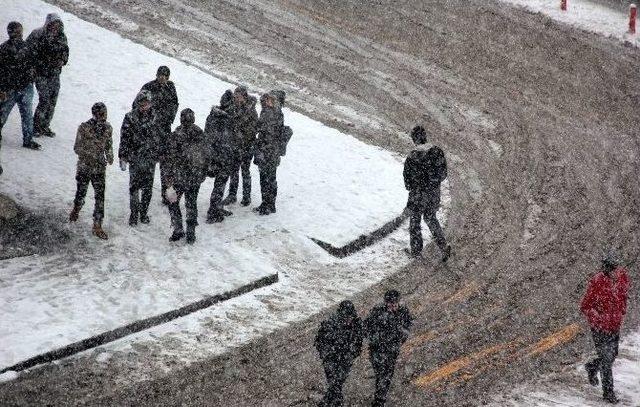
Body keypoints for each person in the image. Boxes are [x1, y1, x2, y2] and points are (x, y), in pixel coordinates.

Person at [580, 252, 630, 404]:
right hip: (600, 328)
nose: (615, 271)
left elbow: (623, 296)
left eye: (616, 268)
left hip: (614, 325)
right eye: (611, 269)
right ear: (606, 269)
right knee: (607, 360)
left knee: (612, 355)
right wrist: (598, 319)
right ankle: (608, 394)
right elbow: (585, 306)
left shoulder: (623, 277)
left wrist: (621, 312)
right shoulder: (596, 281)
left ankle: (591, 366)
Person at [403, 125, 451, 262]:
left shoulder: (413, 155)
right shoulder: (437, 151)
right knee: (430, 217)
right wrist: (433, 183)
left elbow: (407, 179)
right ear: (425, 136)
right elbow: (443, 173)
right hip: (434, 192)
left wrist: (414, 187)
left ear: (414, 139)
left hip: (418, 194)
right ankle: (443, 246)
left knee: (415, 220)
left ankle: (416, 251)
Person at [68, 103, 113, 240]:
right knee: (81, 192)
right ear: (95, 114)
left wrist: (109, 156)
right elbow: (77, 148)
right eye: (101, 114)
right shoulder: (84, 127)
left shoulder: (108, 128)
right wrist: (91, 154)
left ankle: (97, 224)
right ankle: (76, 209)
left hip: (99, 169)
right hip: (85, 167)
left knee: (100, 197)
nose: (103, 116)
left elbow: (109, 145)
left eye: (105, 113)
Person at [163, 108, 207, 244]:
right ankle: (189, 232)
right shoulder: (198, 133)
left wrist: (168, 175)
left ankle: (180, 230)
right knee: (189, 205)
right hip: (189, 177)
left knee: (175, 202)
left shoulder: (178, 134)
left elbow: (169, 157)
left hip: (182, 176)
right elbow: (206, 156)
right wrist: (203, 173)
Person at [138, 66, 179, 204]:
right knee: (149, 161)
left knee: (165, 164)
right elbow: (137, 105)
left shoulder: (170, 88)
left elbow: (175, 104)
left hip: (164, 131)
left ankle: (165, 194)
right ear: (157, 75)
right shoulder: (148, 87)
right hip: (150, 131)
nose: (162, 77)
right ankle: (143, 190)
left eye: (165, 75)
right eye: (160, 75)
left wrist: (169, 118)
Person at [0, 21, 41, 160]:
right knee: (6, 113)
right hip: (14, 88)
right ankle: (28, 139)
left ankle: (28, 139)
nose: (18, 33)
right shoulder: (6, 49)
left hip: (21, 87)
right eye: (17, 31)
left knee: (25, 114)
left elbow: (34, 65)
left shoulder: (11, 48)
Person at [364, 290, 413, 407]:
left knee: (387, 377)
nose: (393, 306)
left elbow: (408, 326)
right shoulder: (377, 311)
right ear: (386, 302)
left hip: (392, 350)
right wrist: (375, 338)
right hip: (377, 349)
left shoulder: (403, 311)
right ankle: (379, 401)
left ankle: (380, 399)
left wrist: (401, 333)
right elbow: (366, 328)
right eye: (390, 303)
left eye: (395, 303)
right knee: (381, 375)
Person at [119, 90, 160, 226]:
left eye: (147, 103)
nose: (144, 106)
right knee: (134, 188)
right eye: (142, 103)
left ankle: (143, 213)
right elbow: (124, 138)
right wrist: (123, 156)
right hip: (135, 157)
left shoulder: (155, 117)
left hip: (149, 158)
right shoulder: (130, 117)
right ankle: (134, 214)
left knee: (148, 189)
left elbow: (158, 138)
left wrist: (159, 153)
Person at [26, 13, 68, 138]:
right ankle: (36, 126)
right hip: (41, 73)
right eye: (53, 23)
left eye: (58, 24)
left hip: (54, 74)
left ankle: (45, 125)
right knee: (44, 99)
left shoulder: (62, 37)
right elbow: (28, 51)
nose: (55, 26)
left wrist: (63, 61)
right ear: (48, 23)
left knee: (52, 100)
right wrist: (34, 67)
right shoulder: (38, 34)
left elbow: (66, 51)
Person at [315, 300, 364, 407]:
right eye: (345, 318)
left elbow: (359, 341)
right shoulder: (330, 323)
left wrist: (353, 354)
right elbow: (320, 342)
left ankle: (328, 402)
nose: (348, 320)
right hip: (331, 358)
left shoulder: (356, 324)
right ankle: (336, 402)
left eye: (349, 318)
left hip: (346, 358)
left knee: (338, 382)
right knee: (334, 382)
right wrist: (326, 355)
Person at [205, 90, 241, 223]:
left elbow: (208, 136)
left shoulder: (212, 115)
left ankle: (215, 207)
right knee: (220, 185)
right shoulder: (228, 119)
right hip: (224, 156)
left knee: (219, 184)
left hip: (215, 155)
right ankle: (213, 211)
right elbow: (231, 138)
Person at [221, 86, 258, 206]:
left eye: (239, 96)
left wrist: (239, 132)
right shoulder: (234, 107)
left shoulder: (251, 110)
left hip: (247, 146)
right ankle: (232, 195)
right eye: (235, 96)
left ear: (244, 96)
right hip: (236, 146)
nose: (236, 99)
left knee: (245, 171)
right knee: (234, 171)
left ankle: (247, 197)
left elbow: (252, 129)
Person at [253, 92, 284, 215]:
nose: (267, 101)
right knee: (264, 178)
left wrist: (261, 132)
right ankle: (266, 203)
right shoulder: (267, 111)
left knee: (269, 178)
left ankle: (269, 204)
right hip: (266, 150)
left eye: (271, 100)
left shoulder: (276, 113)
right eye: (267, 99)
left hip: (270, 151)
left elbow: (270, 132)